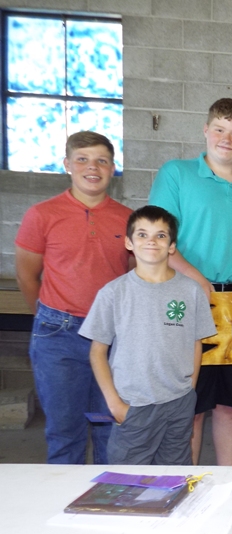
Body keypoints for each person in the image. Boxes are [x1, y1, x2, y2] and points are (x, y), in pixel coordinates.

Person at [148, 98, 232, 466]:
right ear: (206, 130)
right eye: (219, 129)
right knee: (191, 403)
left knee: (230, 403)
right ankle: (185, 483)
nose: (226, 139)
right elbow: (158, 242)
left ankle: (226, 479)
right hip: (188, 295)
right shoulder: (177, 173)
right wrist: (199, 281)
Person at [15, 131, 132, 464]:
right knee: (65, 432)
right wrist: (50, 318)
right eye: (82, 159)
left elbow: (135, 277)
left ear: (112, 168)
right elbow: (27, 276)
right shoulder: (42, 214)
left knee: (112, 427)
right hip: (59, 337)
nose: (92, 167)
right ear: (67, 164)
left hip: (112, 337)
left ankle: (109, 494)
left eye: (102, 160)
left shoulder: (127, 218)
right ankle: (68, 493)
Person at [79, 206, 217, 465]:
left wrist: (190, 391)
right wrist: (115, 404)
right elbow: (97, 352)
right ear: (129, 243)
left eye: (160, 235)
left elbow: (195, 342)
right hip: (134, 404)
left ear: (172, 246)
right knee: (127, 479)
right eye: (142, 234)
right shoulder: (113, 293)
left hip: (179, 403)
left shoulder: (191, 291)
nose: (151, 241)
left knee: (175, 475)